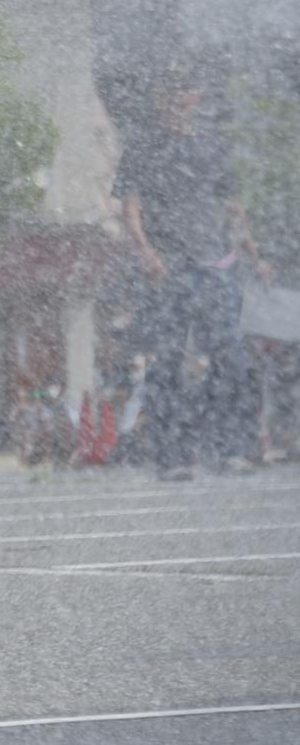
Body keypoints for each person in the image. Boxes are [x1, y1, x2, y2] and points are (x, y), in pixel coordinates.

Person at [115, 74, 273, 480]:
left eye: (182, 91)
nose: (174, 99)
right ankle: (172, 457)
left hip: (215, 265)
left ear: (194, 97)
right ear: (157, 99)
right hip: (168, 266)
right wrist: (145, 250)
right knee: (166, 362)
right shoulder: (142, 147)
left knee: (230, 361)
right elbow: (131, 208)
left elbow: (233, 208)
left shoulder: (212, 146)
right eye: (166, 92)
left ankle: (231, 449)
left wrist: (255, 257)